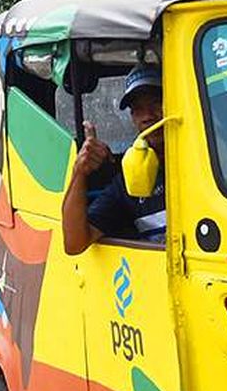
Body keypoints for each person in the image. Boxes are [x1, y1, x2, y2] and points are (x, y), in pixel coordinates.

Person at [62, 64, 165, 255]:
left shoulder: (206, 154)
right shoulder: (129, 179)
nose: (147, 116)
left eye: (156, 103)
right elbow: (74, 243)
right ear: (132, 118)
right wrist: (80, 172)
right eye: (138, 109)